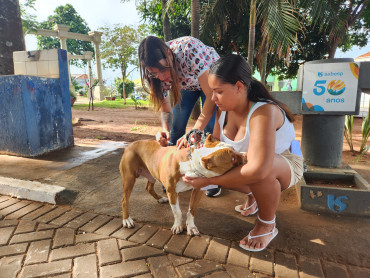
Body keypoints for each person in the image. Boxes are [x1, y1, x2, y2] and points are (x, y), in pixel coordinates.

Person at [183, 54, 304, 252]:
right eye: (212, 92)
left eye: (218, 91)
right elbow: (218, 149)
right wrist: (193, 154)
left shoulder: (264, 112)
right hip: (247, 162)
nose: (212, 98)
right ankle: (255, 195)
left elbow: (257, 169)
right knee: (226, 165)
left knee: (261, 169)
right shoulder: (224, 109)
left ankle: (266, 224)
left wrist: (207, 182)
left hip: (283, 165)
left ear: (239, 87)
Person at [138, 35, 221, 197]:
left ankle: (212, 177)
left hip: (211, 82)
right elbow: (165, 108)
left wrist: (196, 129)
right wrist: (165, 130)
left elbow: (211, 98)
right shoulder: (154, 73)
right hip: (187, 85)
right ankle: (172, 175)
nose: (161, 77)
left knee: (210, 130)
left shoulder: (189, 49)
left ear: (169, 54)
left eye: (163, 69)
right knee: (176, 129)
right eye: (155, 73)